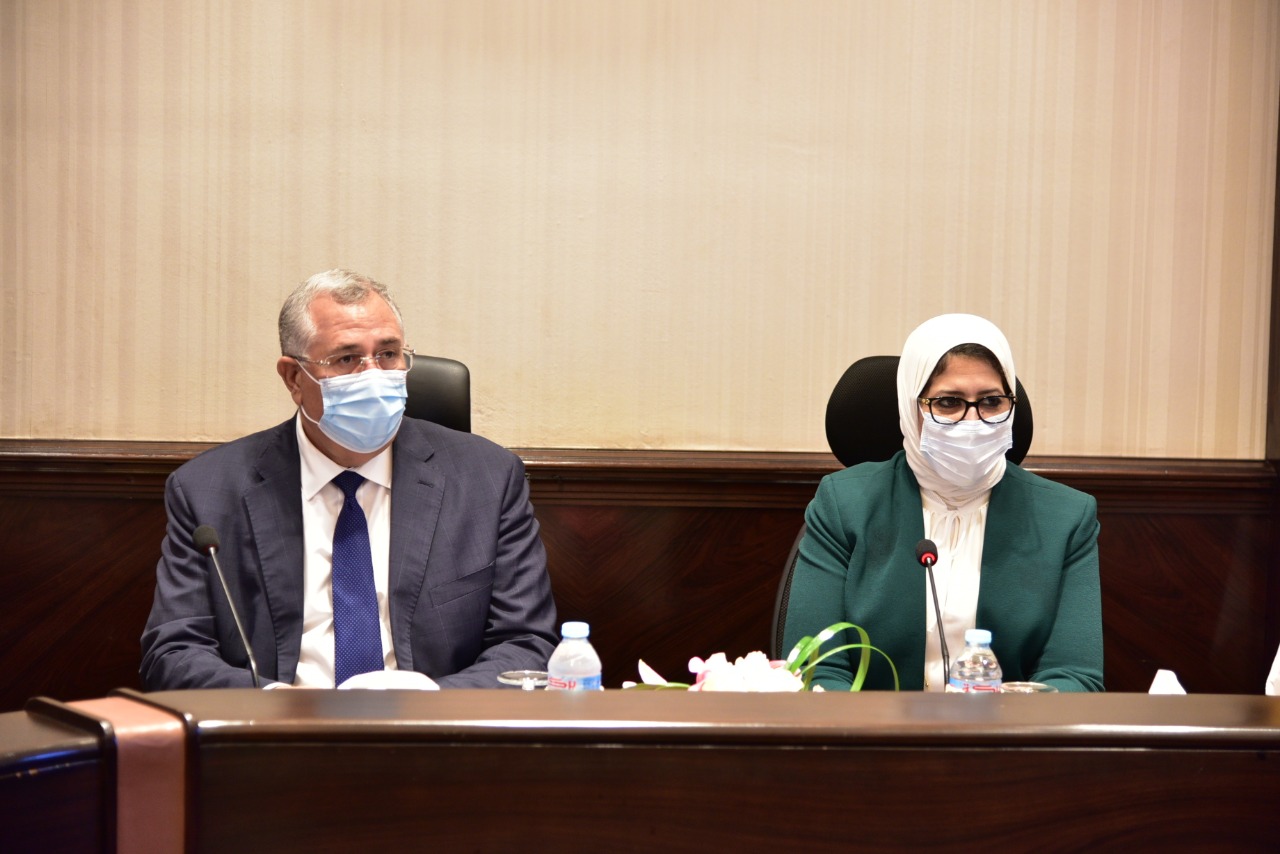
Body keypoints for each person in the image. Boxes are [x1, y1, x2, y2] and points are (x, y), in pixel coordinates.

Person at [140, 269, 558, 689]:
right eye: (346, 359)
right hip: (278, 723)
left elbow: (526, 644)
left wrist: (430, 701)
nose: (373, 375)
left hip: (432, 723)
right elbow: (174, 652)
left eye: (388, 354)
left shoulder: (486, 479)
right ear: (293, 378)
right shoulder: (208, 491)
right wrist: (270, 707)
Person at [782, 313, 1103, 692]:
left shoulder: (1065, 517)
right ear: (910, 406)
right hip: (870, 728)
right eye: (948, 402)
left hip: (1008, 728)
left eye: (992, 401)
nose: (973, 421)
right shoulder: (844, 504)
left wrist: (997, 724)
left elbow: (1074, 676)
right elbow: (816, 669)